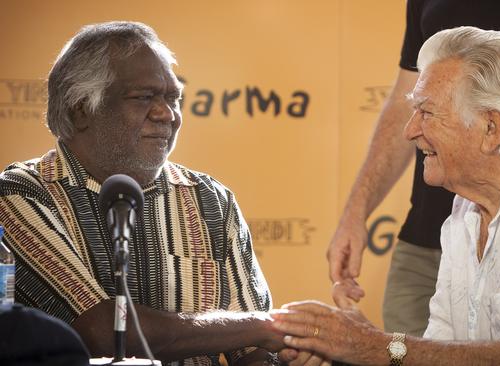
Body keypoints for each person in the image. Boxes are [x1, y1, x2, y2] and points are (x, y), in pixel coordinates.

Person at [275, 27, 500, 365]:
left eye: (426, 112)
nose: (410, 131)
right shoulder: (465, 209)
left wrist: (373, 346)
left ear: (491, 127)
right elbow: (443, 351)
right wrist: (353, 348)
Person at [0, 21, 298, 366]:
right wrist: (263, 326)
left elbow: (253, 349)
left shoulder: (210, 199)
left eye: (174, 98)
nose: (167, 114)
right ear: (81, 108)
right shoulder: (23, 193)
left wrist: (280, 347)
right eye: (144, 97)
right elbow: (104, 333)